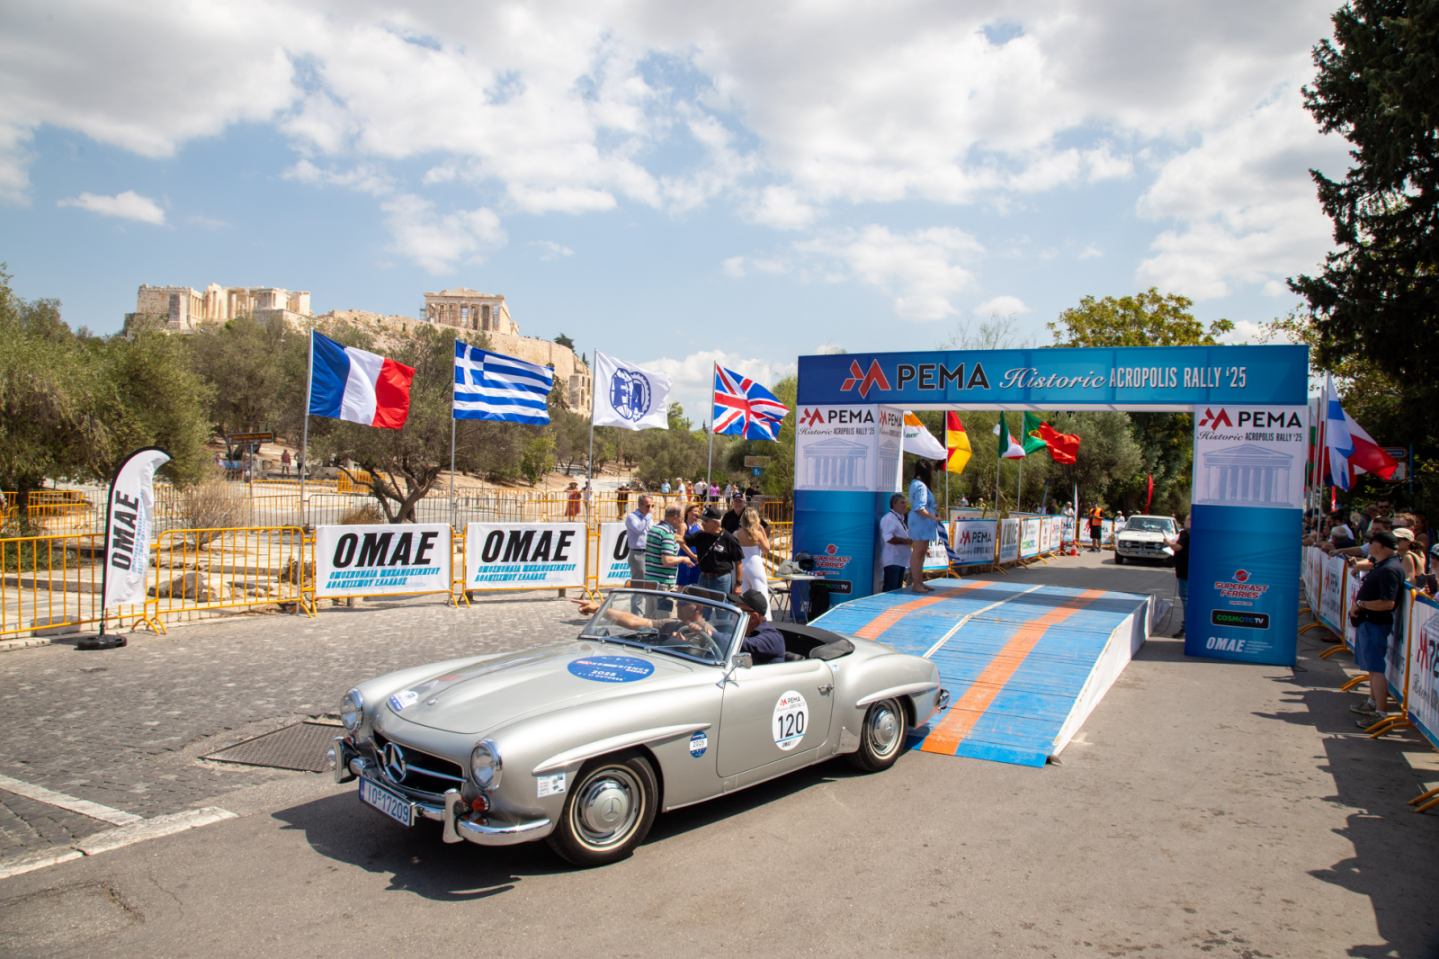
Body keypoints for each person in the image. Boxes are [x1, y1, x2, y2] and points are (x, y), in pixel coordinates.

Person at [1350, 530, 1405, 727]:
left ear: (1380, 546)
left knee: (1376, 668)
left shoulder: (1389, 569)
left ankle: (1381, 712)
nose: (1369, 546)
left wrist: (1361, 605)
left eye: (1371, 542)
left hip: (1375, 623)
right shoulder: (1383, 565)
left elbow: (1387, 603)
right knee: (1372, 669)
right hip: (1369, 622)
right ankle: (1373, 703)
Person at [687, 506, 744, 596]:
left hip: (721, 580)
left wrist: (738, 584)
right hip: (703, 578)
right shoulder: (701, 535)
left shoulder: (729, 539)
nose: (702, 524)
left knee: (720, 605)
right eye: (702, 520)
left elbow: (738, 562)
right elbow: (683, 541)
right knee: (702, 605)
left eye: (706, 521)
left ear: (715, 523)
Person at [907, 461, 939, 593]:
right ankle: (916, 584)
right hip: (920, 523)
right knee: (918, 553)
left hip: (923, 523)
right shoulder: (920, 486)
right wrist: (933, 517)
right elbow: (919, 508)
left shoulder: (918, 484)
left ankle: (920, 582)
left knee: (921, 553)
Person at [736, 507, 773, 618]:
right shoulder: (757, 534)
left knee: (744, 597)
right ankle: (765, 619)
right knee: (761, 593)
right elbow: (766, 549)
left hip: (741, 564)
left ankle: (744, 620)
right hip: (755, 565)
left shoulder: (736, 533)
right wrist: (763, 532)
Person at [644, 505, 693, 588]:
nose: (682, 521)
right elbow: (667, 561)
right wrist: (683, 559)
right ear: (675, 518)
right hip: (662, 583)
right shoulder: (668, 533)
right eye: (681, 518)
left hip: (649, 579)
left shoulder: (654, 529)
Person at [734, 589, 786, 664]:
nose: (734, 616)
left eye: (739, 612)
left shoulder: (773, 637)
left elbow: (748, 645)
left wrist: (716, 635)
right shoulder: (745, 631)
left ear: (753, 617)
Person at [880, 493, 912, 592]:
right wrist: (907, 541)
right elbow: (889, 538)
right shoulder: (889, 518)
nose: (905, 505)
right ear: (894, 504)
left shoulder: (899, 518)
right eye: (902, 503)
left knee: (897, 591)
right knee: (891, 590)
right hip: (893, 561)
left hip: (900, 561)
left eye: (905, 503)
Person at [1167, 513, 1191, 636]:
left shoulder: (1185, 533)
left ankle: (1186, 627)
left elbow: (1177, 547)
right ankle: (1188, 626)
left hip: (1184, 571)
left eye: (1186, 520)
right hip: (1190, 570)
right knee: (1188, 599)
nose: (1184, 522)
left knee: (1185, 598)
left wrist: (1168, 543)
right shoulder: (1196, 533)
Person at [624, 495, 653, 584]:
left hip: (649, 552)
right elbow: (638, 529)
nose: (650, 509)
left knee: (649, 582)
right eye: (648, 506)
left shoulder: (648, 518)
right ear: (640, 505)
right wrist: (648, 516)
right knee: (639, 582)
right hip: (638, 553)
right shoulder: (632, 517)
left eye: (652, 506)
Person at [677, 504, 703, 588]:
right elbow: (681, 543)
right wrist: (693, 556)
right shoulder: (683, 525)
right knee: (683, 584)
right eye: (695, 511)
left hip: (697, 559)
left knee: (695, 584)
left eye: (698, 511)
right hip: (686, 557)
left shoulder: (699, 526)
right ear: (688, 512)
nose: (697, 513)